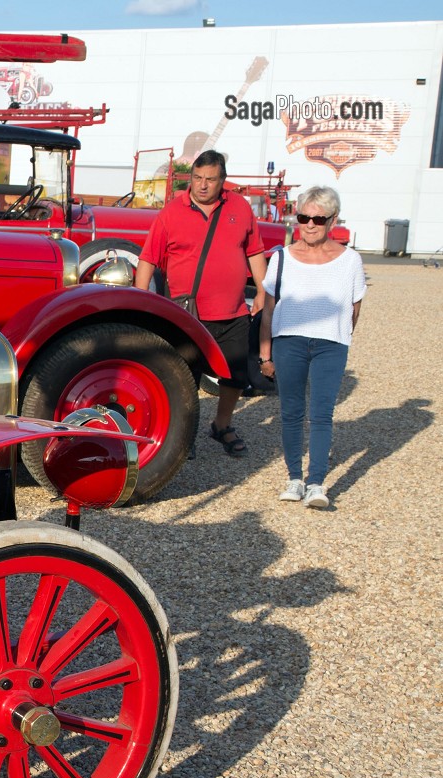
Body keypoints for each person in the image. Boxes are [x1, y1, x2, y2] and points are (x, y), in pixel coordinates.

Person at [136, 150, 267, 458]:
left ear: (223, 181)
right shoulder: (171, 211)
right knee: (184, 377)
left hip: (233, 311)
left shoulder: (239, 207)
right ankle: (185, 433)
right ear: (190, 178)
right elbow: (148, 258)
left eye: (210, 179)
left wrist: (262, 291)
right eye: (197, 178)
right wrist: (139, 300)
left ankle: (222, 424)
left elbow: (255, 251)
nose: (203, 185)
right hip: (187, 315)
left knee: (235, 375)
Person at [258, 187, 365, 510]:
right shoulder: (281, 258)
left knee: (322, 414)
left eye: (318, 219)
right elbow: (268, 309)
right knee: (290, 413)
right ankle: (294, 477)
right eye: (304, 217)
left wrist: (339, 336)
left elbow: (354, 308)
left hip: (330, 345)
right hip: (289, 342)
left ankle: (316, 483)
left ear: (332, 220)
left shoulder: (350, 261)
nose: (310, 224)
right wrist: (266, 353)